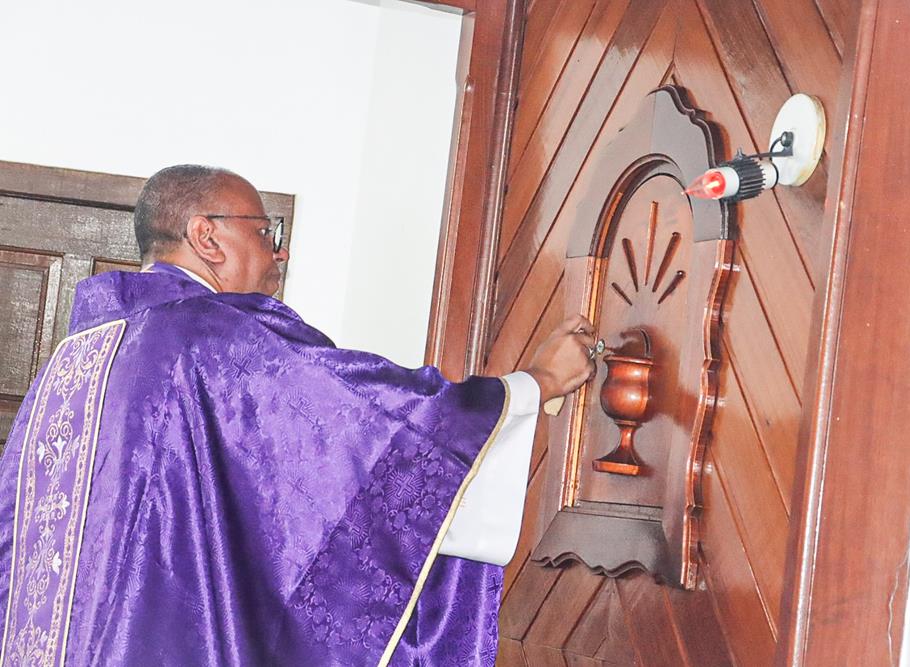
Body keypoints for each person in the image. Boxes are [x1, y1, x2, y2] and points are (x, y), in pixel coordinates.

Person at [0, 165, 595, 666]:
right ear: (206, 236)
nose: (279, 250)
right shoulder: (209, 335)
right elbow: (372, 420)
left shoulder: (73, 361)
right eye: (265, 231)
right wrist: (534, 384)